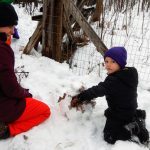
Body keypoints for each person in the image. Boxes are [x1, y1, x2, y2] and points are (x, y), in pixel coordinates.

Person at [70, 47, 149, 144]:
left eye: (113, 61)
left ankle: (134, 128)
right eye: (106, 61)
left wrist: (81, 97)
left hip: (120, 113)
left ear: (120, 63)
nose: (108, 65)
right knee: (108, 113)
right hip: (129, 108)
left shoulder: (114, 81)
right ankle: (136, 115)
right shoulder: (130, 72)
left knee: (109, 136)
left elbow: (97, 90)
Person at [0, 2, 50, 139]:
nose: (12, 30)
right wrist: (24, 94)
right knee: (45, 111)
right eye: (10, 26)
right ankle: (7, 130)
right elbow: (10, 89)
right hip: (3, 107)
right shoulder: (2, 50)